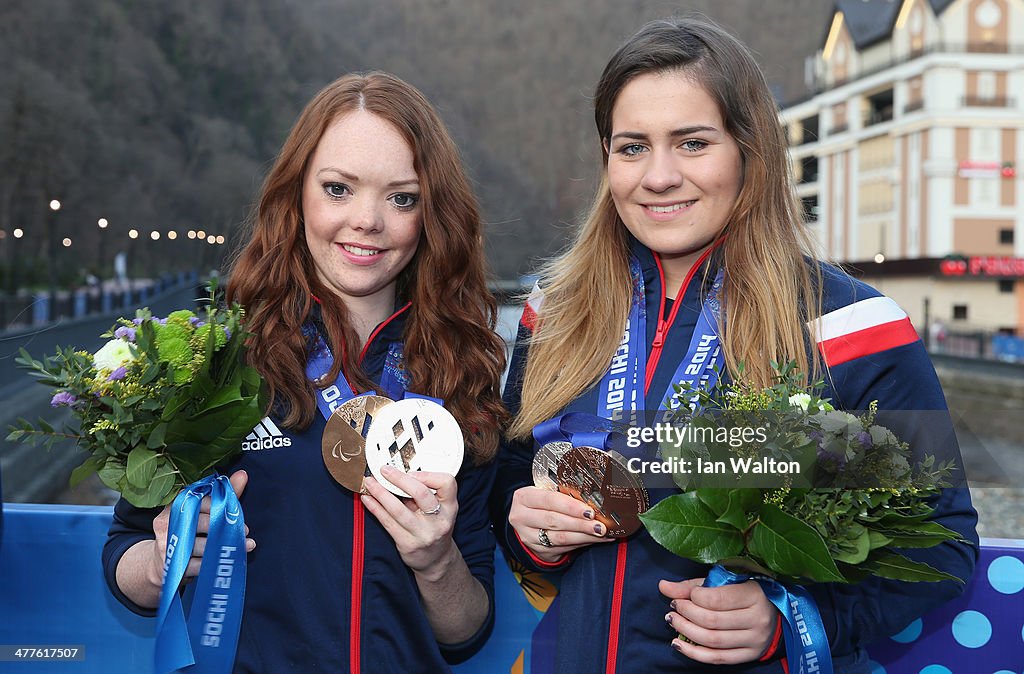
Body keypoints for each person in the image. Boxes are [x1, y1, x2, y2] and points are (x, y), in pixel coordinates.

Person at [493, 17, 978, 673]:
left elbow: (939, 544)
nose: (658, 176)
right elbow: (508, 492)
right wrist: (533, 535)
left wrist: (793, 619)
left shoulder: (850, 326)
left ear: (750, 150)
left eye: (692, 143)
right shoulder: (554, 316)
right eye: (632, 147)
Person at [103, 72, 508, 671]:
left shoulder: (460, 369)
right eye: (339, 188)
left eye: (402, 197)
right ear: (297, 195)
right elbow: (123, 559)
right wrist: (166, 558)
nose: (367, 219)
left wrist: (436, 561)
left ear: (432, 216)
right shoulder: (216, 358)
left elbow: (465, 631)